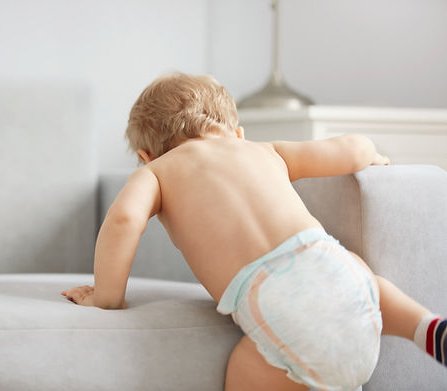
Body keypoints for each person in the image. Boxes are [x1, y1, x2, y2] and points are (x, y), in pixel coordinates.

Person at [62, 73, 446, 390]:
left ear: (146, 156)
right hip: (335, 276)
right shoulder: (265, 151)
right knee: (366, 278)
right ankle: (421, 325)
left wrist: (107, 297)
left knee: (243, 371)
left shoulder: (156, 172)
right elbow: (350, 146)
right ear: (236, 132)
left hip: (278, 311)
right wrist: (371, 155)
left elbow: (124, 221)